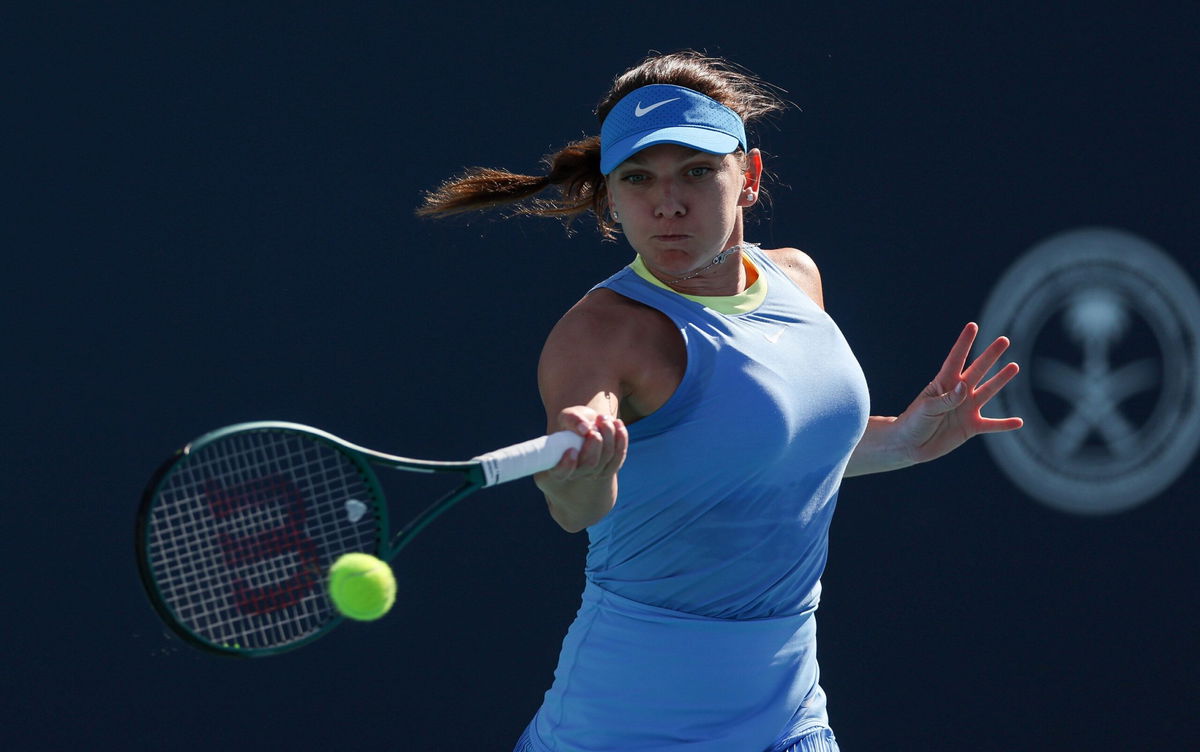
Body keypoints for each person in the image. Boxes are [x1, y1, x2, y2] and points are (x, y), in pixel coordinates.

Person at [419, 51, 1022, 752]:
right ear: (612, 197)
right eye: (639, 179)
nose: (667, 203)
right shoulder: (602, 333)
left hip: (789, 717)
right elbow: (577, 507)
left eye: (697, 173)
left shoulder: (796, 279)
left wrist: (902, 440)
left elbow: (750, 455)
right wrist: (578, 477)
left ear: (750, 178)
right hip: (622, 729)